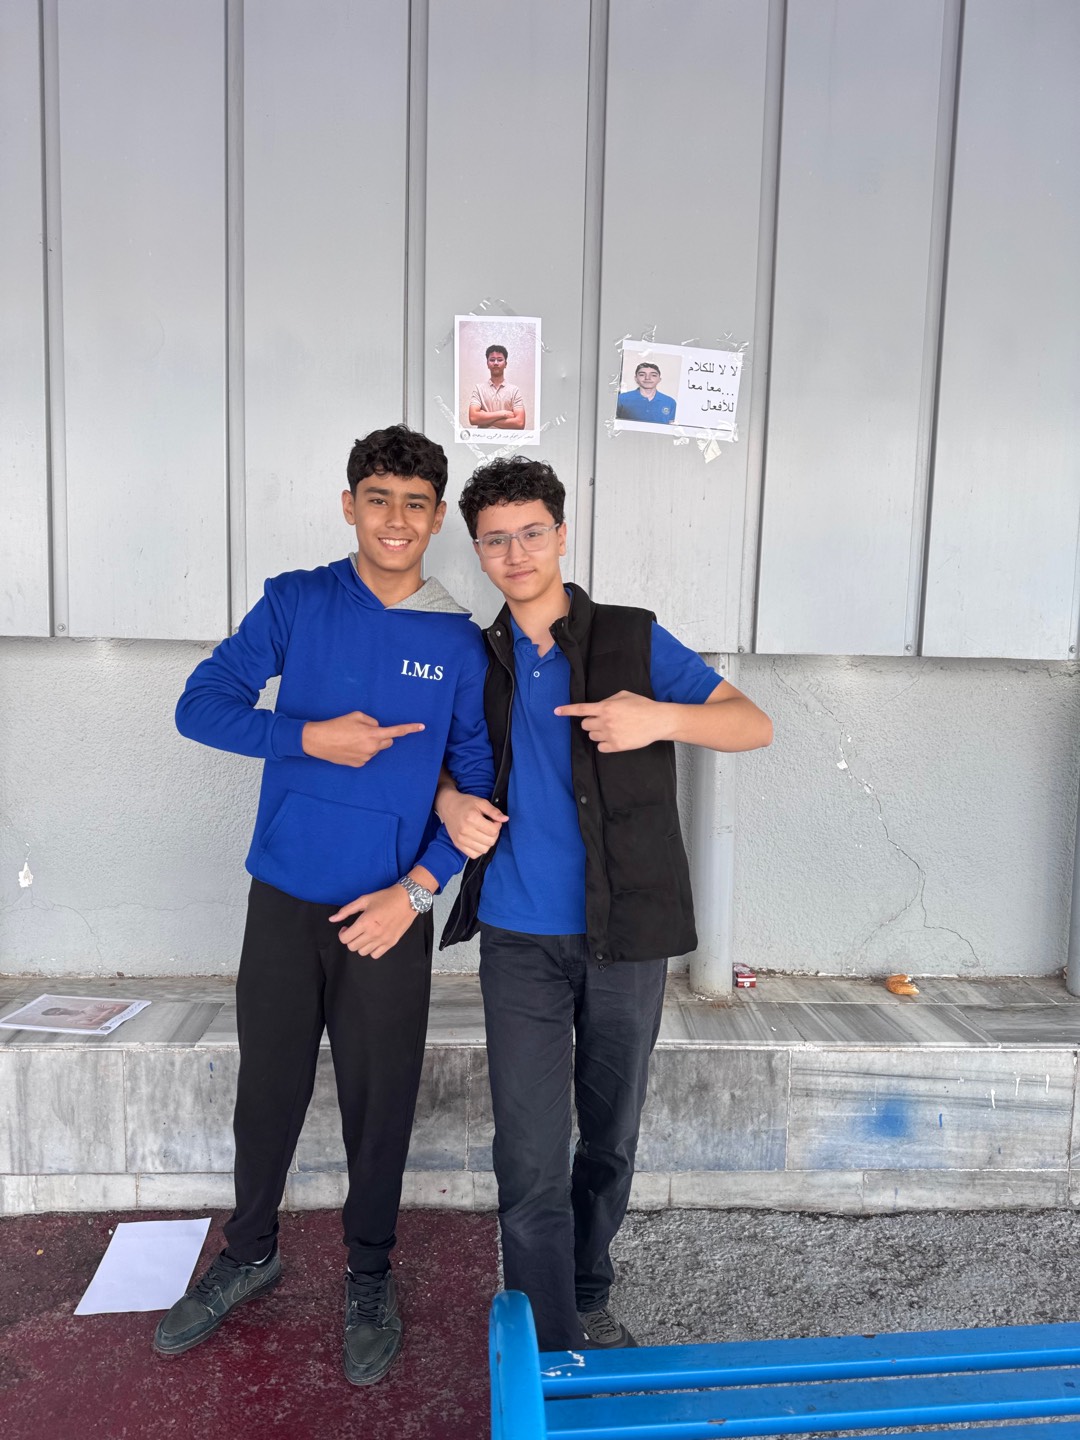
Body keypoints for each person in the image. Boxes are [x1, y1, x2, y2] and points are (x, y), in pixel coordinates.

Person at [155, 425, 493, 1386]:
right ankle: (249, 1253)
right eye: (378, 498)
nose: (396, 519)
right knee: (267, 1089)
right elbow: (199, 705)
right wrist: (308, 737)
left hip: (387, 912)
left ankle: (369, 1275)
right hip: (284, 899)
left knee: (380, 1105)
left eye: (416, 504)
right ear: (350, 506)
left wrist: (417, 893)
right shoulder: (296, 601)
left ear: (437, 518)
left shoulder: (458, 641)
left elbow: (474, 787)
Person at [436, 456, 772, 1351]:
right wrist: (447, 803)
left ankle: (586, 1285)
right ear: (478, 551)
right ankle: (549, 1345)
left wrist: (661, 718)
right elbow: (424, 760)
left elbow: (752, 723)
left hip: (626, 934)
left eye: (531, 533)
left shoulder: (632, 638)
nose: (516, 554)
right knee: (528, 1154)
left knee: (610, 1138)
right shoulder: (472, 657)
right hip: (518, 940)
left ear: (561, 534)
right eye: (495, 541)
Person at [467, 344, 526, 431]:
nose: (495, 363)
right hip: (483, 438)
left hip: (508, 438)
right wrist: (503, 414)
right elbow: (473, 418)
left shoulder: (514, 390)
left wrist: (484, 418)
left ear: (505, 364)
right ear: (487, 364)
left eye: (500, 360)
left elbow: (519, 423)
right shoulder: (479, 389)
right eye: (492, 360)